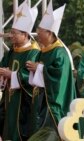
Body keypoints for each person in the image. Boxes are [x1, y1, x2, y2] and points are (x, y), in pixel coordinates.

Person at [26, 0, 76, 138]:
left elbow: (58, 76)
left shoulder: (60, 52)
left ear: (50, 33)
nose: (37, 33)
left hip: (53, 104)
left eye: (40, 31)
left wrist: (40, 68)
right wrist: (34, 69)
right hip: (40, 101)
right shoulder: (43, 50)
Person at [0, 1, 39, 140]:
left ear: (25, 34)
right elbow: (3, 66)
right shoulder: (12, 51)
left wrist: (12, 75)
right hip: (9, 99)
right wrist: (3, 75)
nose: (11, 36)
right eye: (11, 32)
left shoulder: (34, 52)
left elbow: (32, 76)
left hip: (24, 101)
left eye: (15, 33)